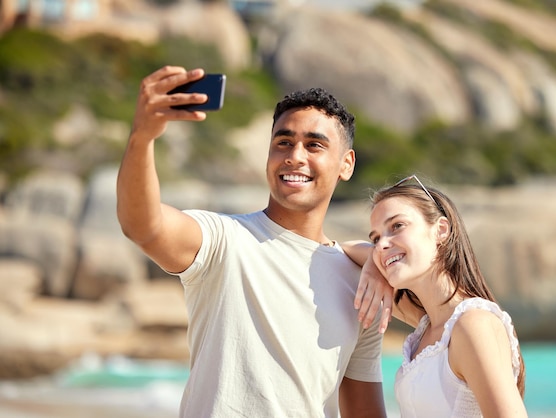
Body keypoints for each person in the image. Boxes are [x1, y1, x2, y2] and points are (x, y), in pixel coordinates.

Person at [116, 66, 388, 417]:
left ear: (346, 164)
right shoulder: (223, 240)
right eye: (283, 142)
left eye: (315, 145)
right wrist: (142, 137)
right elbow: (143, 225)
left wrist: (376, 260)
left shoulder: (363, 284)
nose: (295, 156)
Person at [346, 174, 527, 417]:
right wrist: (372, 260)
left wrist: (374, 259)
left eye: (397, 226)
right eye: (376, 238)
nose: (381, 245)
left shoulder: (473, 325)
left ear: (441, 230)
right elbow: (339, 248)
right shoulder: (430, 325)